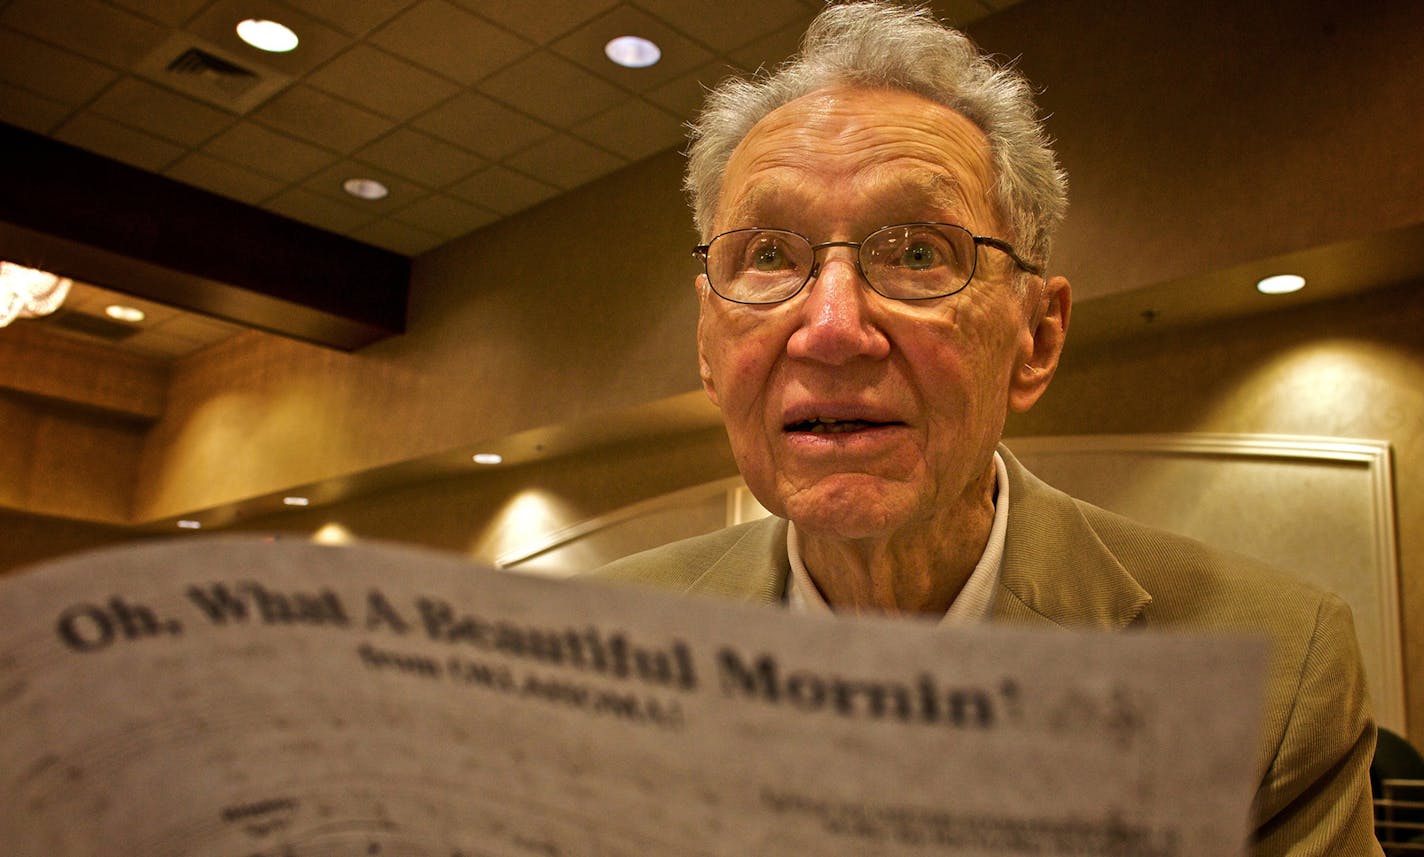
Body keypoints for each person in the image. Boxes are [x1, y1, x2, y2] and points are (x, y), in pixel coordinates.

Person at [594, 2, 1380, 854]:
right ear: (708, 349)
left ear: (1035, 339)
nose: (830, 326)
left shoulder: (1273, 675)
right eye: (771, 255)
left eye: (919, 252)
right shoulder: (592, 653)